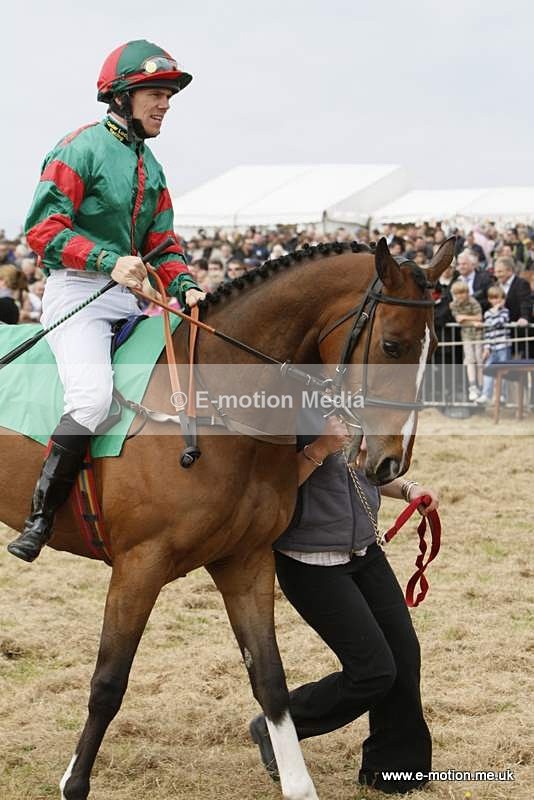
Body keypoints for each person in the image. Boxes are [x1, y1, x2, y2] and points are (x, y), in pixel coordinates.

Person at [7, 39, 206, 564]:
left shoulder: (152, 165)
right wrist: (105, 261)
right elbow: (43, 230)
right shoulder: (79, 148)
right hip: (78, 291)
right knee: (93, 400)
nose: (165, 104)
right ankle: (41, 516)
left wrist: (185, 284)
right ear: (120, 96)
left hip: (130, 296)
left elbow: (162, 245)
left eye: (168, 95)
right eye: (155, 94)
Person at [249, 414, 439, 795]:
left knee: (404, 656)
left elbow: (366, 471)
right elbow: (272, 490)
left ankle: (394, 773)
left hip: (365, 552)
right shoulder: (285, 407)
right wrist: (319, 448)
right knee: (373, 672)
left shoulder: (356, 400)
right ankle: (281, 722)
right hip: (311, 563)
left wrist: (408, 490)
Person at [476, 285, 512, 405]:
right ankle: (486, 394)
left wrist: (496, 311)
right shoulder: (487, 313)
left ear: (503, 299)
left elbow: (498, 323)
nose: (496, 301)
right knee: (488, 371)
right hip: (492, 347)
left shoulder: (505, 312)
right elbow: (488, 331)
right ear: (490, 300)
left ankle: (502, 395)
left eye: (499, 298)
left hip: (503, 347)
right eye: (493, 298)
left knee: (504, 372)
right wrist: (486, 347)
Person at [449, 280, 484, 401]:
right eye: (458, 293)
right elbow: (459, 320)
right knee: (470, 359)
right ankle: (473, 386)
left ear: (467, 292)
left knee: (479, 360)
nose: (460, 296)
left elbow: (480, 318)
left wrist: (466, 318)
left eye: (463, 293)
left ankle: (481, 386)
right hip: (467, 336)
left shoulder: (473, 302)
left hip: (479, 335)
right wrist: (473, 322)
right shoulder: (453, 304)